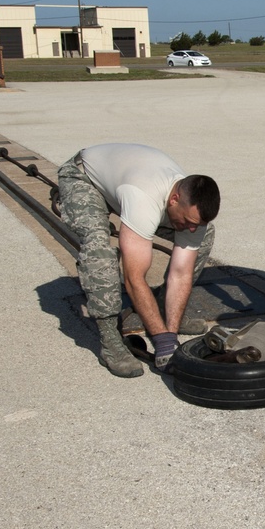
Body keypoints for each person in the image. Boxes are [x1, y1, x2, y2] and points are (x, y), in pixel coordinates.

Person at [57, 143, 220, 377]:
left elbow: (181, 273)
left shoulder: (186, 205)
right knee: (99, 253)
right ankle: (110, 341)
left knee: (204, 237)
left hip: (126, 183)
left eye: (196, 223)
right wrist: (163, 341)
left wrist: (170, 334)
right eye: (188, 220)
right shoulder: (144, 198)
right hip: (84, 178)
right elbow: (134, 278)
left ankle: (167, 311)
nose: (191, 228)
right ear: (174, 199)